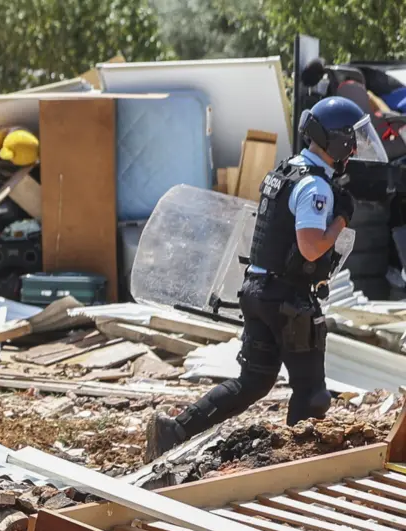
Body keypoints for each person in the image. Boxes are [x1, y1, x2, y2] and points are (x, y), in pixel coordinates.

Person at [146, 96, 387, 461]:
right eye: (352, 141)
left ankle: (174, 431)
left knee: (254, 381)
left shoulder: (286, 171)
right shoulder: (316, 187)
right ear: (337, 141)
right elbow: (310, 249)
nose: (354, 150)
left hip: (258, 291)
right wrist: (342, 218)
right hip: (287, 300)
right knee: (312, 393)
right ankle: (299, 468)